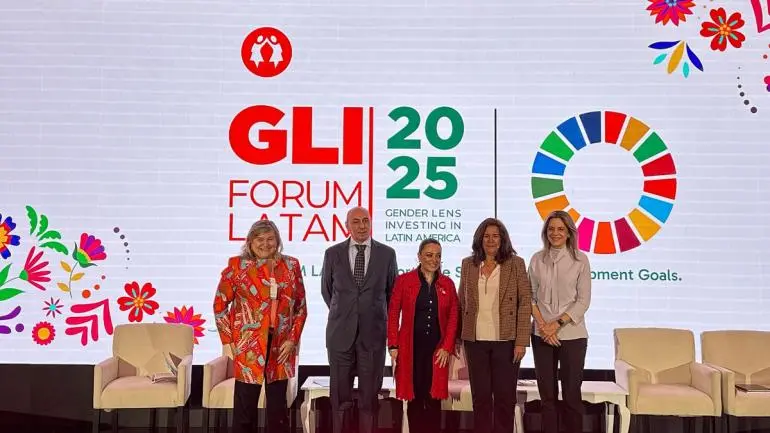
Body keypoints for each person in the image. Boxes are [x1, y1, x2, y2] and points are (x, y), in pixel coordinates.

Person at [214, 219, 307, 433]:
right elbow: (219, 305)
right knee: (245, 409)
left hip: (281, 346)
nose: (265, 244)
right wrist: (229, 340)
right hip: (249, 346)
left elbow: (300, 308)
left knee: (278, 411)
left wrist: (292, 340)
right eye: (260, 239)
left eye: (270, 239)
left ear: (278, 241)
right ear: (250, 242)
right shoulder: (237, 267)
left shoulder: (291, 266)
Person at [322, 206, 398, 433]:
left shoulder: (387, 254)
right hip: (339, 336)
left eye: (365, 220)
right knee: (339, 399)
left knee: (369, 399)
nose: (362, 226)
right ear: (347, 226)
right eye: (356, 221)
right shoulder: (332, 253)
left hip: (373, 336)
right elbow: (327, 291)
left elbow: (392, 294)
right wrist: (347, 314)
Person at [458, 218, 532, 433]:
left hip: (506, 341)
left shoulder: (515, 264)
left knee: (504, 399)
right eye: (486, 236)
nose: (491, 240)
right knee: (480, 398)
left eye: (495, 236)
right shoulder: (468, 264)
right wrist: (458, 337)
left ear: (502, 239)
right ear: (480, 239)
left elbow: (524, 302)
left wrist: (521, 341)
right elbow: (462, 301)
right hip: (475, 342)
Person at [529, 210, 591, 433]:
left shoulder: (580, 259)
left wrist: (555, 325)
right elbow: (529, 297)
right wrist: (543, 327)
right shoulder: (537, 259)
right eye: (551, 229)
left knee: (572, 395)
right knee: (547, 397)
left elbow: (583, 301)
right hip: (541, 335)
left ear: (569, 233)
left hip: (572, 335)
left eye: (560, 229)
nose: (555, 233)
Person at [387, 238, 459, 432]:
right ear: (419, 257)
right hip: (411, 350)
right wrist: (393, 345)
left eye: (438, 256)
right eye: (429, 255)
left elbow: (453, 317)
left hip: (437, 352)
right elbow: (393, 313)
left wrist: (447, 347)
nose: (434, 260)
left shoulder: (447, 284)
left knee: (434, 400)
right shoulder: (404, 281)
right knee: (415, 399)